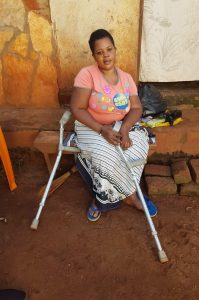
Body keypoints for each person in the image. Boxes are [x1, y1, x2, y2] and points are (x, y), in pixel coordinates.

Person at [71, 29, 157, 221]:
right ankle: (126, 197)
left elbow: (136, 108)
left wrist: (125, 130)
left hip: (121, 125)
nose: (105, 55)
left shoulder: (126, 78)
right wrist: (102, 130)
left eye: (109, 49)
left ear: (115, 50)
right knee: (105, 157)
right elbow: (77, 108)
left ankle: (112, 196)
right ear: (94, 55)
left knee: (135, 150)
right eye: (99, 52)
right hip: (92, 126)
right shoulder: (87, 75)